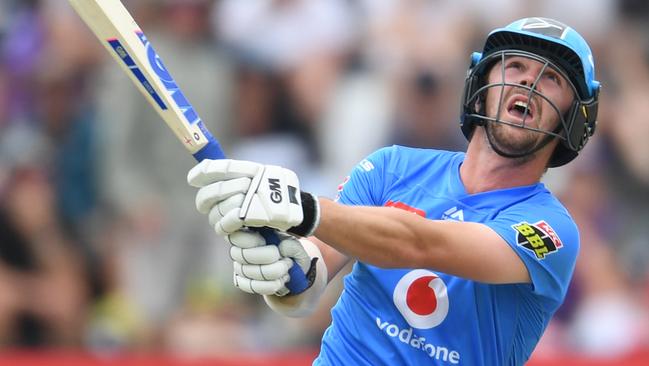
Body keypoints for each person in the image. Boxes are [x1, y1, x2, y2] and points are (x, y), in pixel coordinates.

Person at [187, 17, 600, 365]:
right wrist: (285, 270)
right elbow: (313, 276)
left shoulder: (549, 230)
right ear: (481, 83)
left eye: (552, 78)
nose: (529, 81)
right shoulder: (391, 166)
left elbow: (422, 243)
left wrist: (300, 208)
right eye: (515, 67)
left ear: (573, 118)